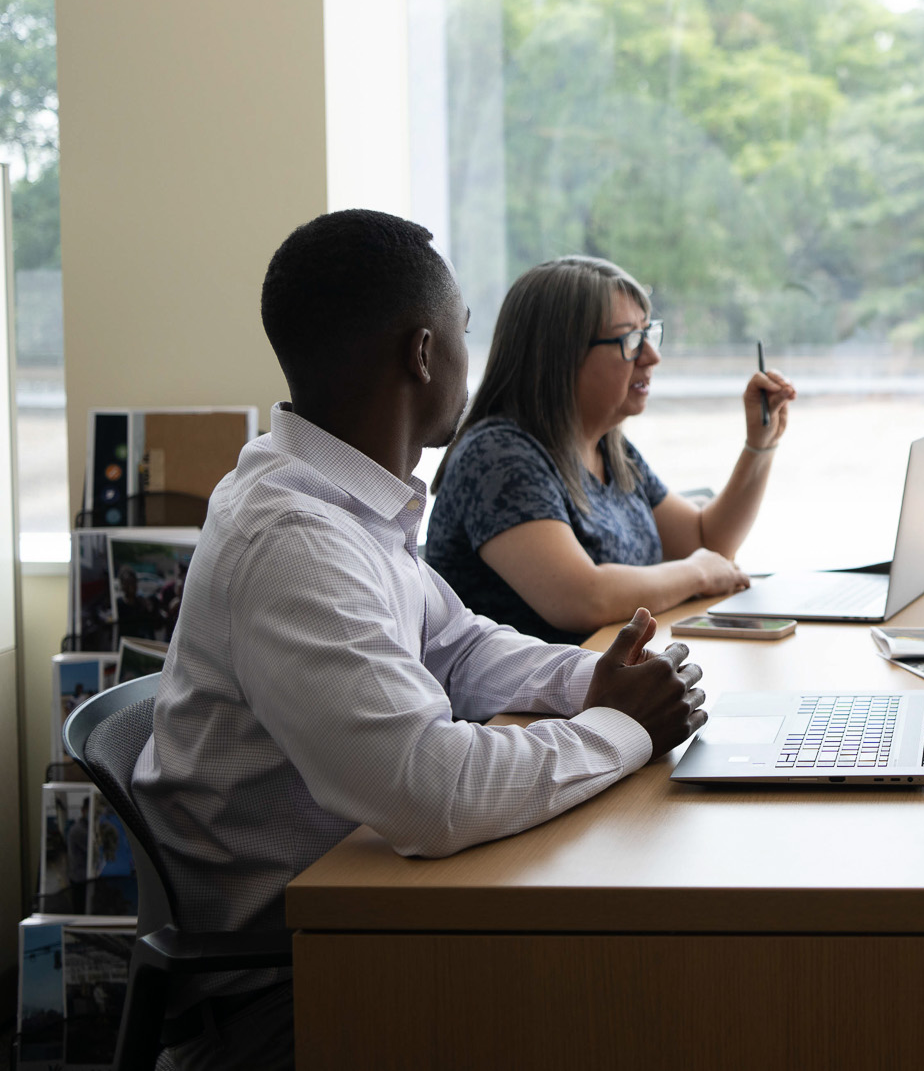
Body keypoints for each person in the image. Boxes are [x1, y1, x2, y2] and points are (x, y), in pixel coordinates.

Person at [133, 211, 708, 1070]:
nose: (473, 359)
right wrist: (623, 727)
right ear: (424, 353)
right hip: (292, 983)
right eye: (465, 332)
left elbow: (465, 648)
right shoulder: (294, 539)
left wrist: (598, 678)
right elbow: (427, 790)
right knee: (641, 1001)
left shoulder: (348, 506)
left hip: (372, 918)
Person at [425, 256, 796, 643]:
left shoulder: (611, 449)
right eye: (630, 341)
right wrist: (697, 572)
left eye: (648, 333)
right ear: (561, 355)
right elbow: (583, 598)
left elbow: (707, 543)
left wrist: (759, 445)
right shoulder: (497, 456)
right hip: (527, 703)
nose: (652, 357)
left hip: (597, 692)